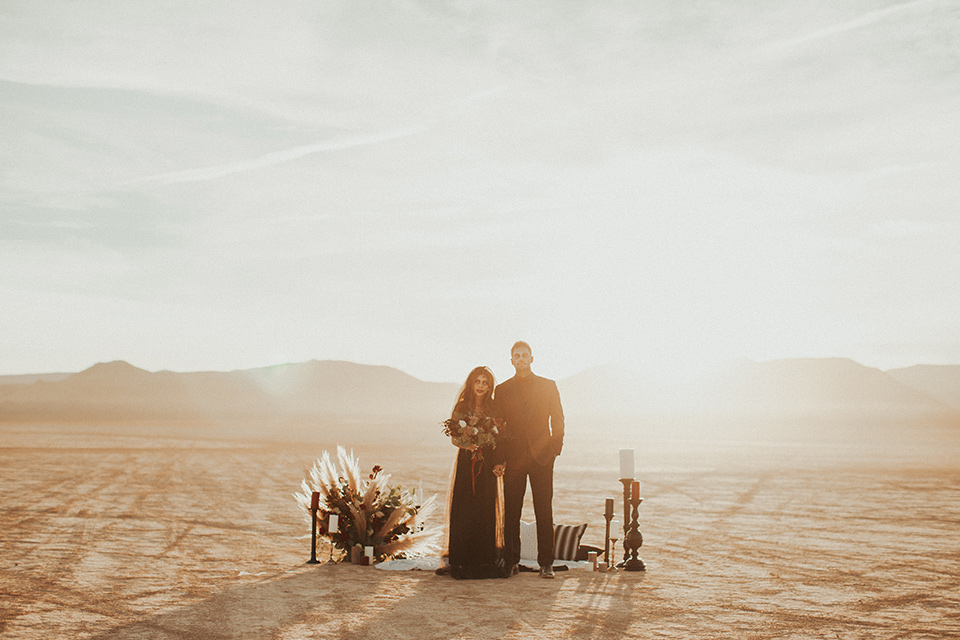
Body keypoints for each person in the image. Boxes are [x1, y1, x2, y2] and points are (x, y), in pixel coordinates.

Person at [496, 341, 565, 579]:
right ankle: (511, 561)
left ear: (532, 359)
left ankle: (546, 563)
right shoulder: (502, 390)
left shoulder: (548, 386)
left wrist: (555, 448)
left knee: (544, 510)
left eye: (525, 355)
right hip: (513, 459)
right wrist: (500, 458)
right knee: (511, 512)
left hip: (542, 458)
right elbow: (498, 426)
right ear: (512, 361)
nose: (521, 358)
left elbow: (558, 419)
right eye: (517, 355)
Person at [440, 366, 510, 579]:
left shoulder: (493, 407)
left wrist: (500, 462)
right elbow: (454, 436)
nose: (480, 386)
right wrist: (467, 443)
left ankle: (483, 559)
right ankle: (461, 559)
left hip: (487, 462)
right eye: (477, 382)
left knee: (485, 507)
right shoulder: (462, 406)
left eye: (485, 383)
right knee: (464, 507)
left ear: (490, 387)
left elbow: (500, 438)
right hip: (466, 461)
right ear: (471, 383)